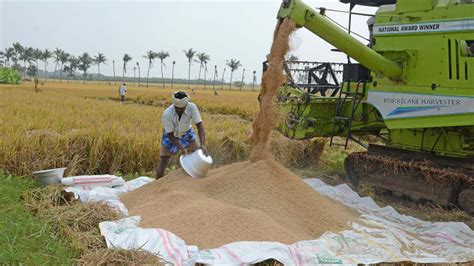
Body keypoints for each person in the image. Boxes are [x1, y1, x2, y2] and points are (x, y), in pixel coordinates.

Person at [156, 91, 208, 179]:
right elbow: (170, 135)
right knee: (164, 159)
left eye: (182, 108)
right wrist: (182, 149)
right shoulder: (167, 113)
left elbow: (200, 125)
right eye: (177, 108)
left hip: (187, 133)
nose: (179, 110)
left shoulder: (192, 107)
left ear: (186, 105)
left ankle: (195, 179)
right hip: (171, 135)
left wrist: (203, 144)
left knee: (198, 153)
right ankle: (156, 185)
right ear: (174, 105)